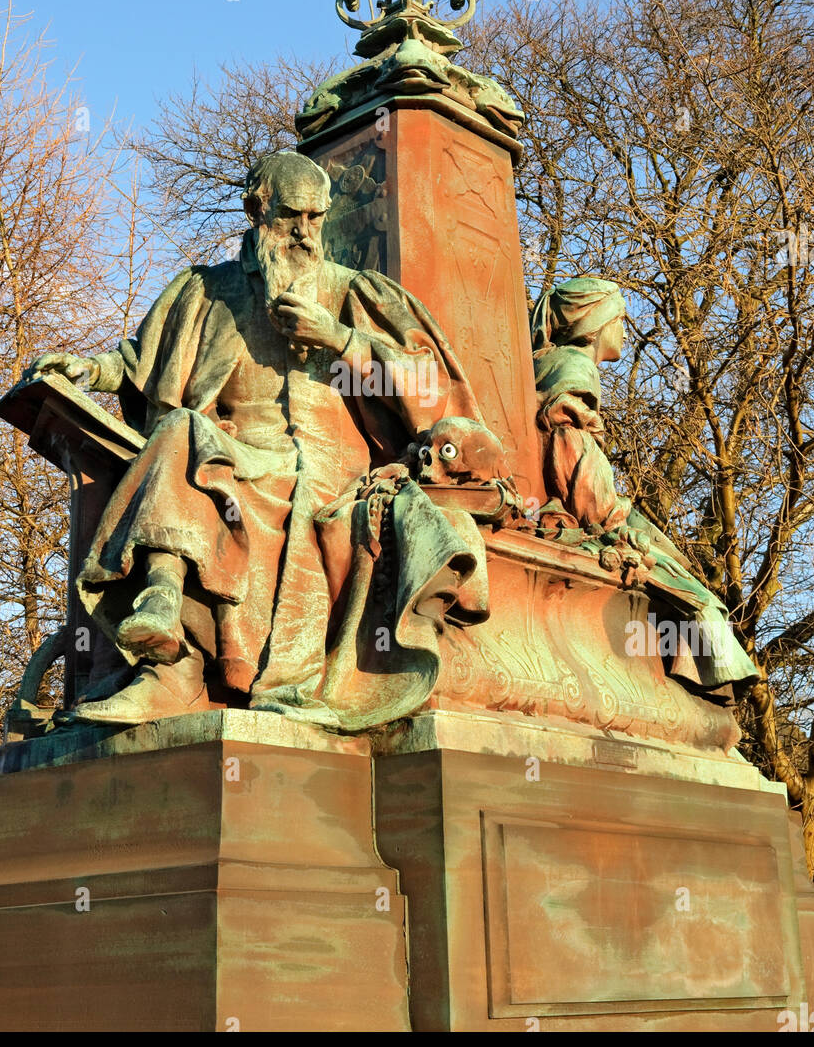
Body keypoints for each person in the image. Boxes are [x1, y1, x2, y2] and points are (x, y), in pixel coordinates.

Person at [25, 150, 491, 727]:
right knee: (181, 428)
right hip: (234, 457)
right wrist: (87, 371)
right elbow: (139, 363)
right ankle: (162, 615)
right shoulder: (205, 290)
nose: (304, 232)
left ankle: (180, 654)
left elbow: (430, 390)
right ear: (255, 210)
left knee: (196, 447)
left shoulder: (353, 293)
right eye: (290, 215)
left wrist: (339, 338)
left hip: (327, 469)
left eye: (316, 218)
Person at [530, 276, 758, 692]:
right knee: (697, 598)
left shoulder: (561, 365)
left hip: (596, 504)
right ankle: (707, 695)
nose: (625, 327)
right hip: (594, 513)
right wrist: (619, 521)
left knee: (685, 573)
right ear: (597, 324)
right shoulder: (574, 368)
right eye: (620, 318)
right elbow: (574, 462)